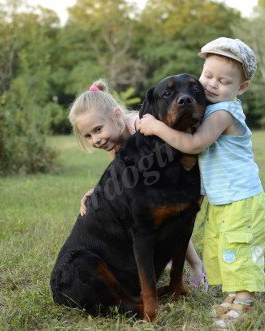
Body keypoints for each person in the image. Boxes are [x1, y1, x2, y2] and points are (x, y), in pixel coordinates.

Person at [138, 37, 265, 327]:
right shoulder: (210, 109)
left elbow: (194, 144)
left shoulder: (224, 113)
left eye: (224, 81)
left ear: (241, 88)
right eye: (208, 76)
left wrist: (156, 126)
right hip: (224, 197)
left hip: (241, 198)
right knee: (225, 246)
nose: (213, 84)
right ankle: (232, 297)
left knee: (239, 248)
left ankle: (244, 301)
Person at [68, 79, 208, 290]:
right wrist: (98, 192)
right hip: (151, 188)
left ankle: (196, 265)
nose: (95, 139)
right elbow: (123, 179)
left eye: (97, 130)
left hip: (172, 180)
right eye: (88, 135)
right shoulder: (113, 145)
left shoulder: (141, 126)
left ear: (116, 116)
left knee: (174, 217)